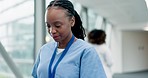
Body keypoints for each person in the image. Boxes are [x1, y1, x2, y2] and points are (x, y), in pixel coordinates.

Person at [32, 0, 106, 78]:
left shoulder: (85, 52)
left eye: (57, 25)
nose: (52, 31)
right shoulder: (44, 50)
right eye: (48, 26)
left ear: (72, 21)